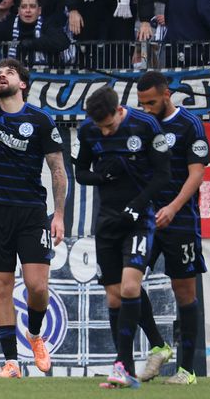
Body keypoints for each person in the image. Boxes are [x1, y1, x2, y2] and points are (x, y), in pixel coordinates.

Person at [0, 0, 68, 378]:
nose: (0, 75)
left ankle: (35, 335)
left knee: (37, 288)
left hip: (30, 212)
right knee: (1, 287)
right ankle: (10, 361)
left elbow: (58, 170)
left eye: (8, 72)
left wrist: (58, 214)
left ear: (23, 82)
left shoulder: (40, 121)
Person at [74, 85, 171, 388]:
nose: (104, 132)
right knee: (114, 297)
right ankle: (125, 370)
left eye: (109, 126)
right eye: (99, 127)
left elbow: (163, 175)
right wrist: (102, 176)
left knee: (131, 287)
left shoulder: (146, 126)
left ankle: (122, 364)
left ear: (119, 111)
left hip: (139, 220)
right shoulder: (89, 131)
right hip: (107, 222)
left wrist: (137, 206)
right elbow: (81, 173)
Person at [134, 71, 210, 386]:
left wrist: (173, 207)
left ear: (167, 94)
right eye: (141, 103)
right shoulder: (138, 124)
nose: (147, 108)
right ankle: (158, 344)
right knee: (126, 282)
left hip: (180, 220)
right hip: (146, 220)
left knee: (185, 293)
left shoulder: (189, 125)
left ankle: (187, 371)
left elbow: (196, 174)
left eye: (151, 102)